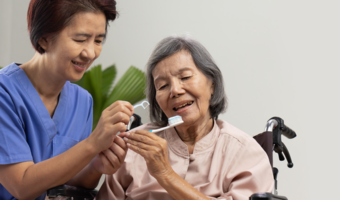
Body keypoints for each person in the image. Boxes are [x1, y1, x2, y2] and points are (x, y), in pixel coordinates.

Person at [96, 36, 274, 200]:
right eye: (163, 85)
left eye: (185, 77)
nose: (175, 90)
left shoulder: (244, 152)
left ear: (212, 84)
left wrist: (166, 175)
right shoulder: (133, 149)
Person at [0, 1, 133, 199]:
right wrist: (92, 143)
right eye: (80, 40)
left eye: (98, 41)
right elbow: (22, 186)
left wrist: (96, 166)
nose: (90, 53)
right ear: (44, 39)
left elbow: (70, 181)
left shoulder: (82, 101)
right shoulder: (5, 93)